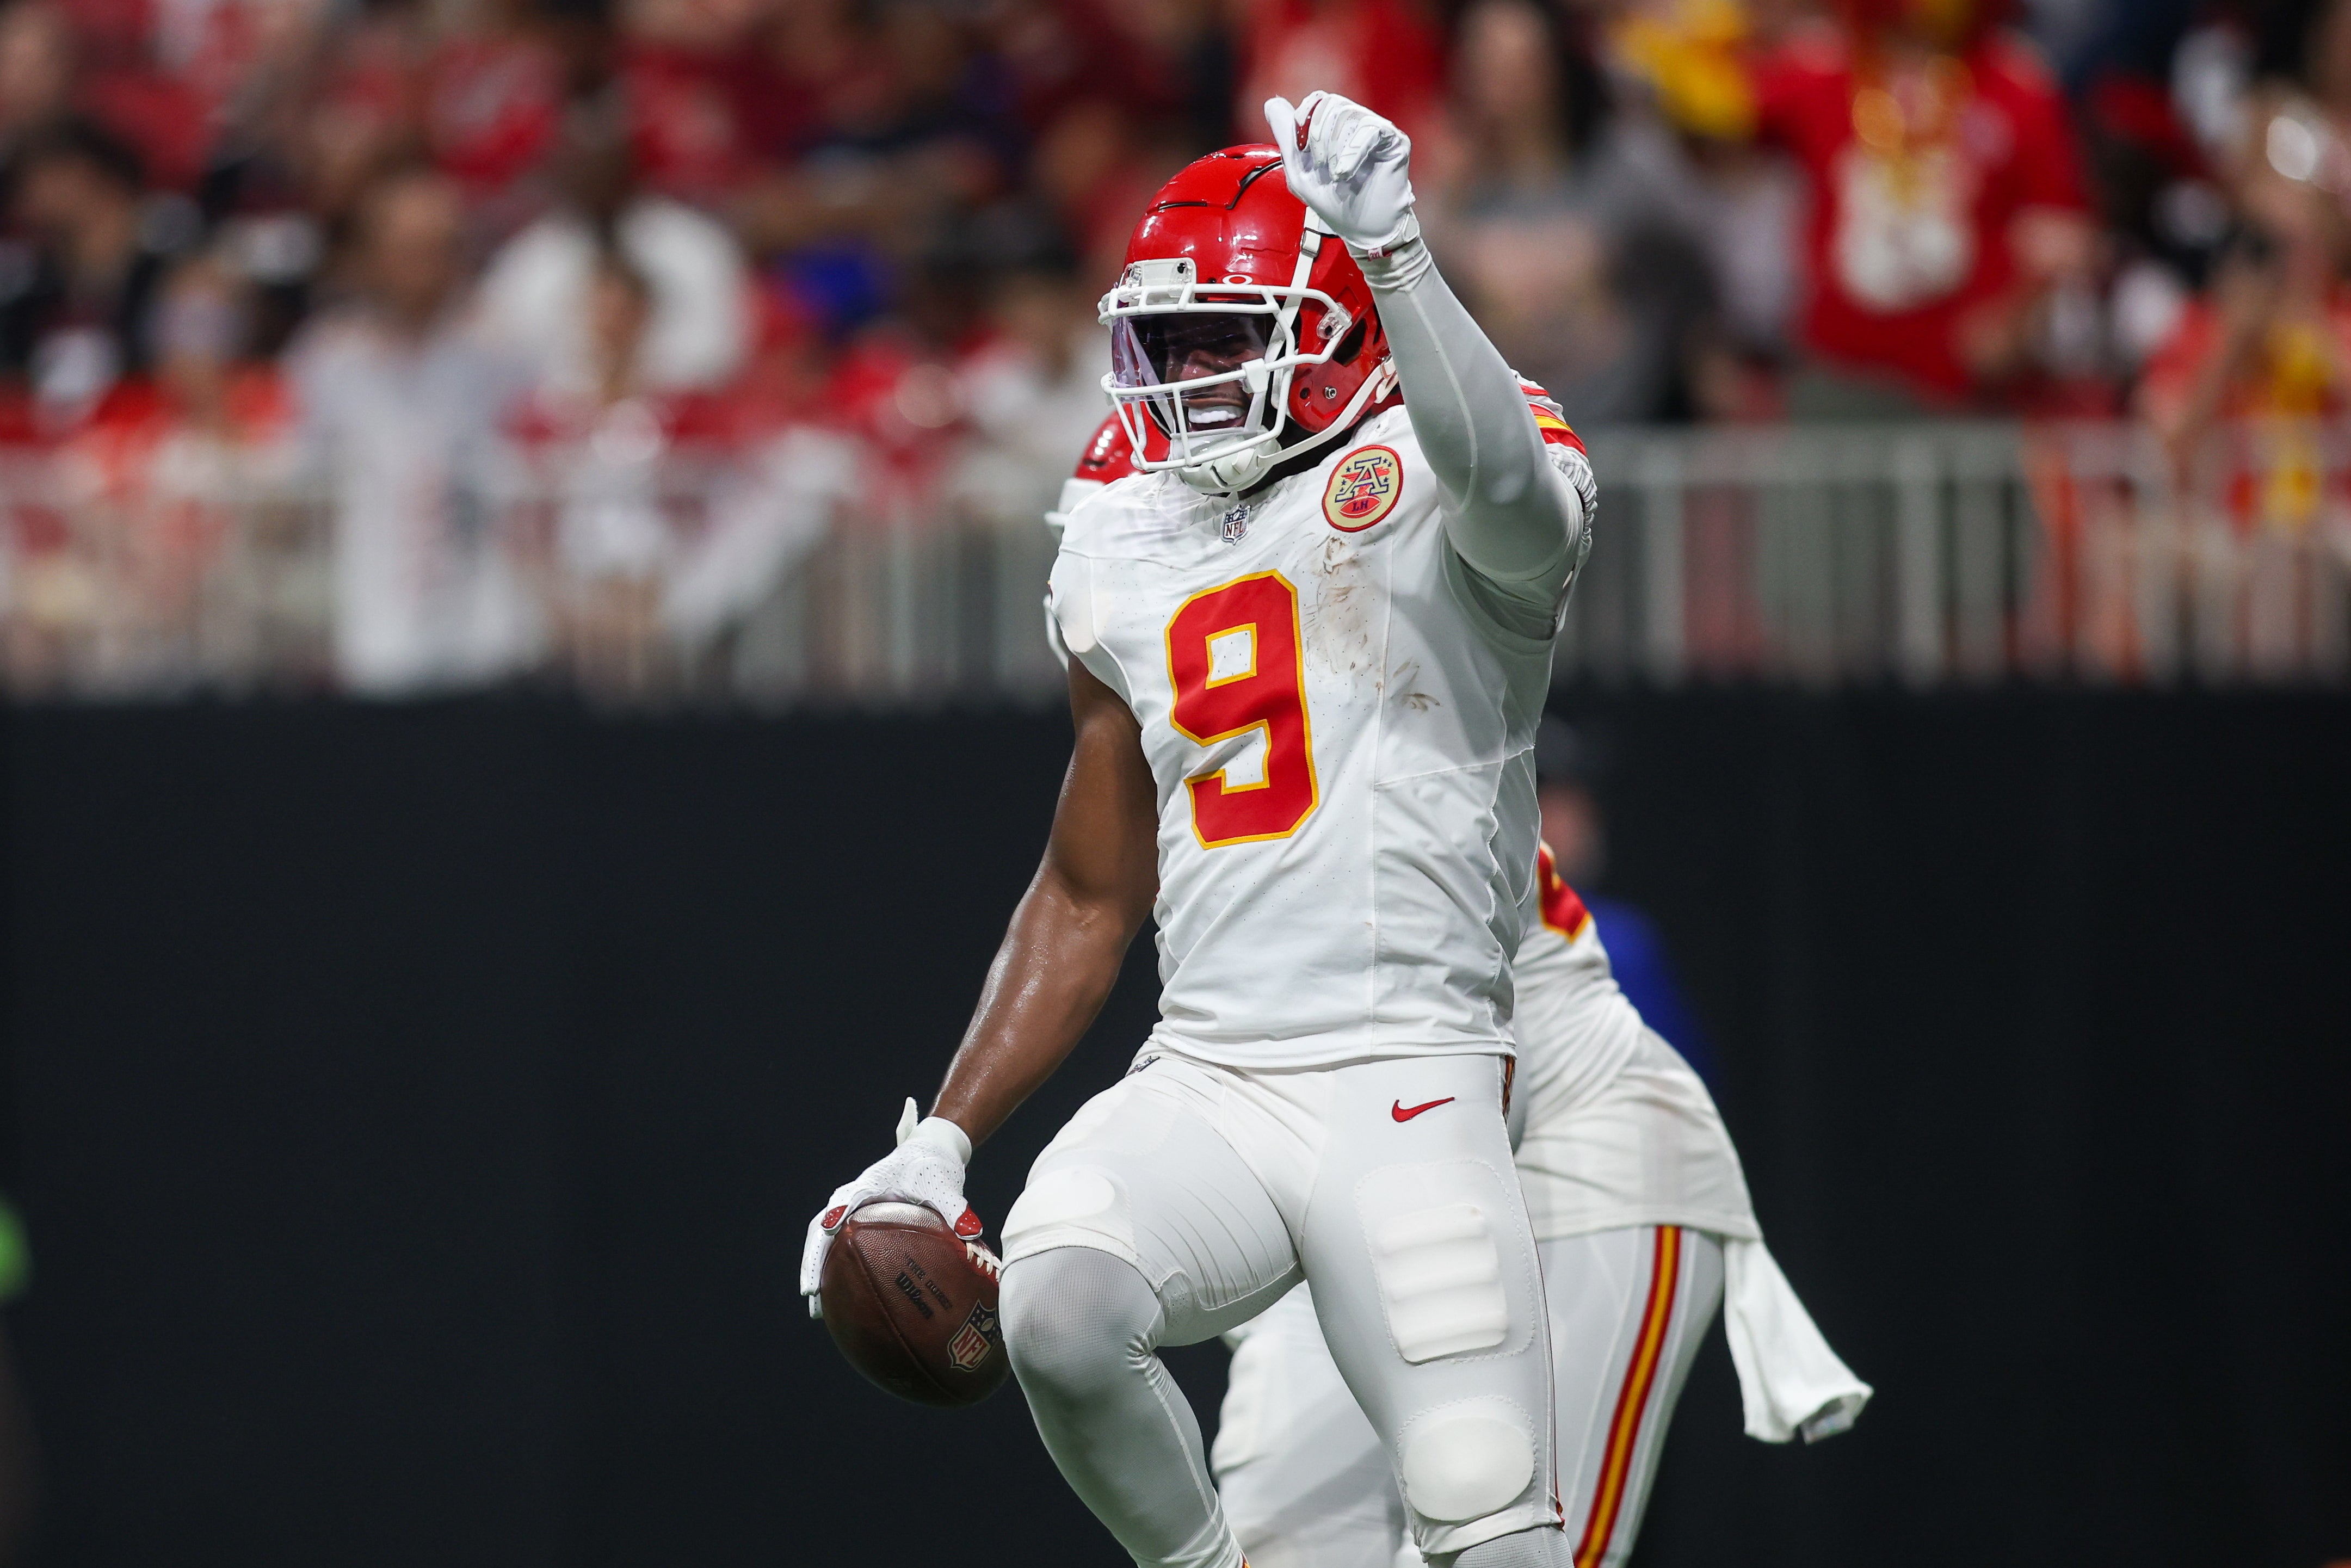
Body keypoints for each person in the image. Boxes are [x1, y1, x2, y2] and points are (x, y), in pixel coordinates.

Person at [803, 92, 1597, 1568]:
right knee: (1057, 1300)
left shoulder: (1446, 455)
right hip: (1218, 1069)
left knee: (1488, 1509)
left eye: (1233, 333)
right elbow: (1091, 883)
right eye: (1173, 341)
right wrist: (943, 1143)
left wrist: (1401, 255)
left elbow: (1509, 492)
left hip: (1412, 1068)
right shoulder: (1127, 525)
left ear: (1347, 321)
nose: (1194, 374)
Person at [1050, 425, 1866, 1568]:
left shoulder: (1418, 659)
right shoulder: (1198, 733)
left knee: (1496, 1531)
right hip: (1352, 1158)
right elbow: (1089, 899)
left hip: (1565, 1156)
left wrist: (1398, 273)